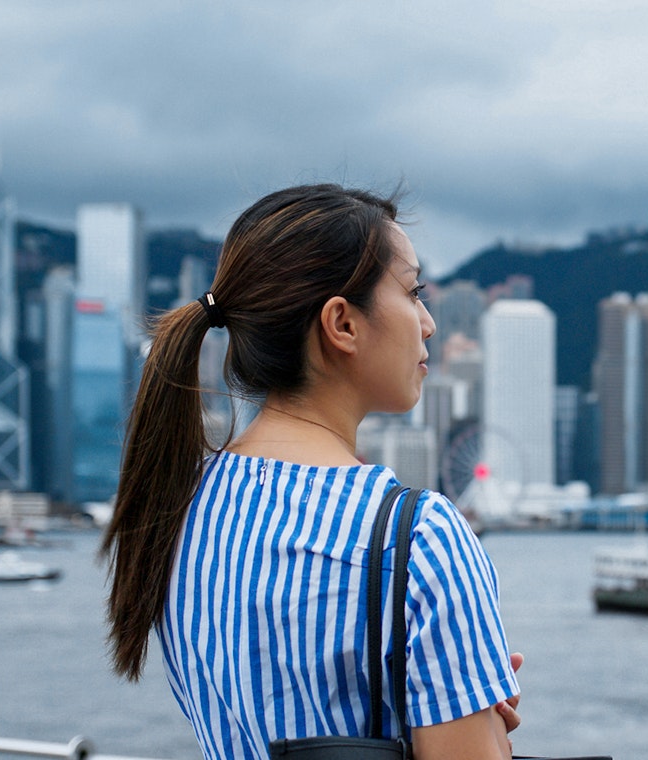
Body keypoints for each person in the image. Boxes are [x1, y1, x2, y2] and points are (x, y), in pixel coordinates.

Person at [101, 184, 522, 759]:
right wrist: (486, 733)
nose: (427, 323)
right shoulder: (419, 536)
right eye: (414, 291)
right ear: (342, 324)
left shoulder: (178, 509)